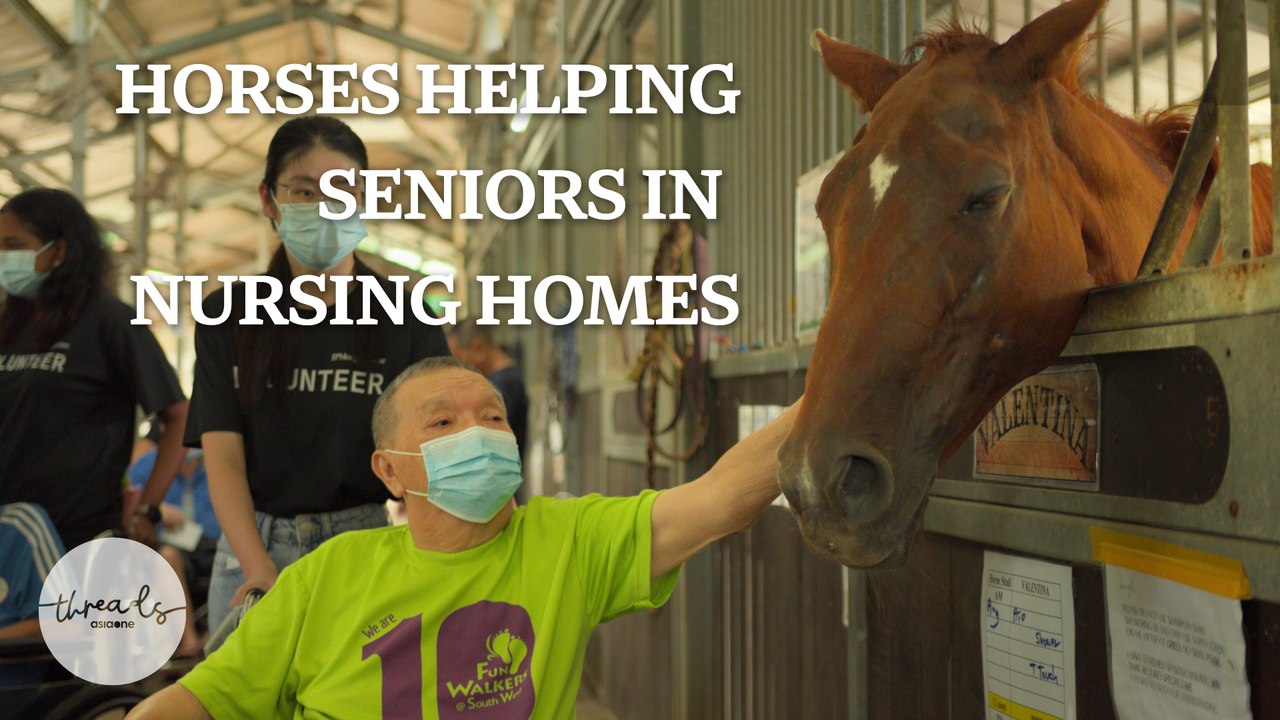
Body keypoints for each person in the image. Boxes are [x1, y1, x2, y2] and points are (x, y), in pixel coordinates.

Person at [128, 357, 797, 719]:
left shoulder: (569, 541)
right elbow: (200, 699)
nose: (475, 433)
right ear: (390, 471)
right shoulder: (324, 575)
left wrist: (830, 386)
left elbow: (718, 499)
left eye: (492, 417)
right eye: (442, 421)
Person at [186, 116, 451, 632]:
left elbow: (440, 441)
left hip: (365, 544)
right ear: (270, 201)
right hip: (252, 547)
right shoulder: (229, 317)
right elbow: (223, 459)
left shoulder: (408, 316)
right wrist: (258, 564)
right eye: (304, 191)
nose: (324, 207)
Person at [0, 188, 188, 550]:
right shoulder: (8, 325)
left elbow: (179, 415)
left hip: (76, 537)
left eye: (14, 245)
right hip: (9, 533)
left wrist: (146, 509)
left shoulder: (110, 322)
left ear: (59, 250)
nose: (4, 257)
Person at [127, 446, 222, 657]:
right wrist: (155, 512)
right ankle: (190, 642)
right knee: (167, 557)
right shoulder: (145, 467)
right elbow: (129, 510)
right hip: (171, 545)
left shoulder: (215, 462)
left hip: (213, 543)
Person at [449, 318, 529, 459]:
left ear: (478, 348)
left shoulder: (503, 384)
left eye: (459, 357)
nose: (458, 366)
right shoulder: (506, 379)